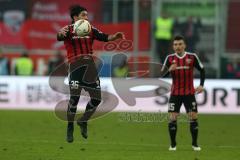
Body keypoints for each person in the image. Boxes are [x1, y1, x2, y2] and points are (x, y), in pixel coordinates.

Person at [57, 5, 125, 143]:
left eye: (87, 15)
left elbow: (104, 37)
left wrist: (115, 37)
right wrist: (59, 33)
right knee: (74, 99)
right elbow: (59, 36)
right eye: (83, 15)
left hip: (89, 67)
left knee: (97, 99)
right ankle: (70, 127)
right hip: (75, 67)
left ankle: (83, 121)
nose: (86, 18)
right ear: (75, 17)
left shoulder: (90, 29)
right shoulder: (68, 30)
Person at [161, 35, 205, 151]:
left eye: (180, 44)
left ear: (184, 45)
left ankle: (195, 144)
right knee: (172, 118)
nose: (178, 46)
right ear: (173, 46)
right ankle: (173, 144)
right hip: (175, 94)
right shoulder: (169, 58)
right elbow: (161, 75)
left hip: (189, 93)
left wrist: (201, 85)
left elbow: (202, 70)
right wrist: (169, 70)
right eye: (175, 44)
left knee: (193, 117)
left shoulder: (192, 57)